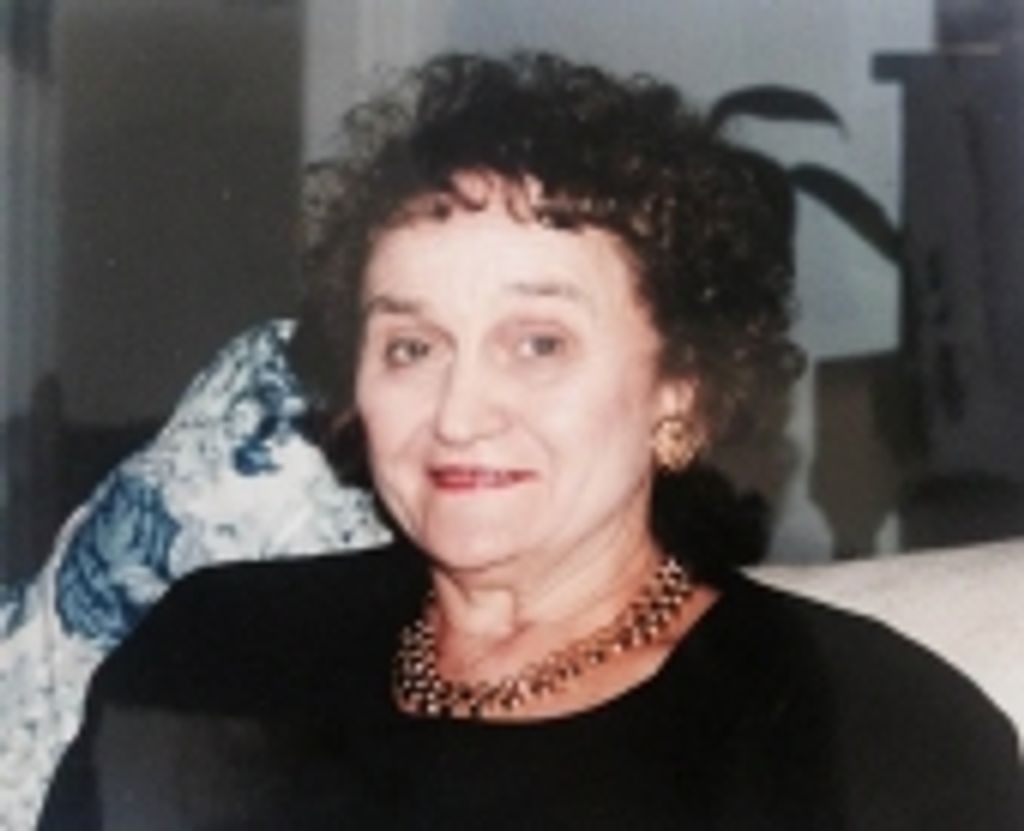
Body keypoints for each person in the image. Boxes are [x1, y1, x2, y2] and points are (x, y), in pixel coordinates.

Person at [39, 52, 1021, 830]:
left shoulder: (872, 729)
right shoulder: (212, 651)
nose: (459, 411)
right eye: (412, 345)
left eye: (538, 343)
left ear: (679, 391)